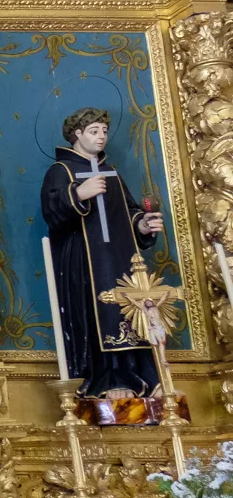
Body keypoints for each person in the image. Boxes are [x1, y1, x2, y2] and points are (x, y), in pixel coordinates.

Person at [41, 107, 166, 397]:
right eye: (94, 132)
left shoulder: (111, 173)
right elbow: (52, 211)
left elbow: (129, 210)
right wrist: (78, 194)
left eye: (104, 132)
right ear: (77, 134)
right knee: (98, 314)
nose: (101, 138)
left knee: (131, 310)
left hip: (121, 258)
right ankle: (107, 381)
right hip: (85, 261)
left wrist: (143, 224)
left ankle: (141, 376)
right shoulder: (61, 171)